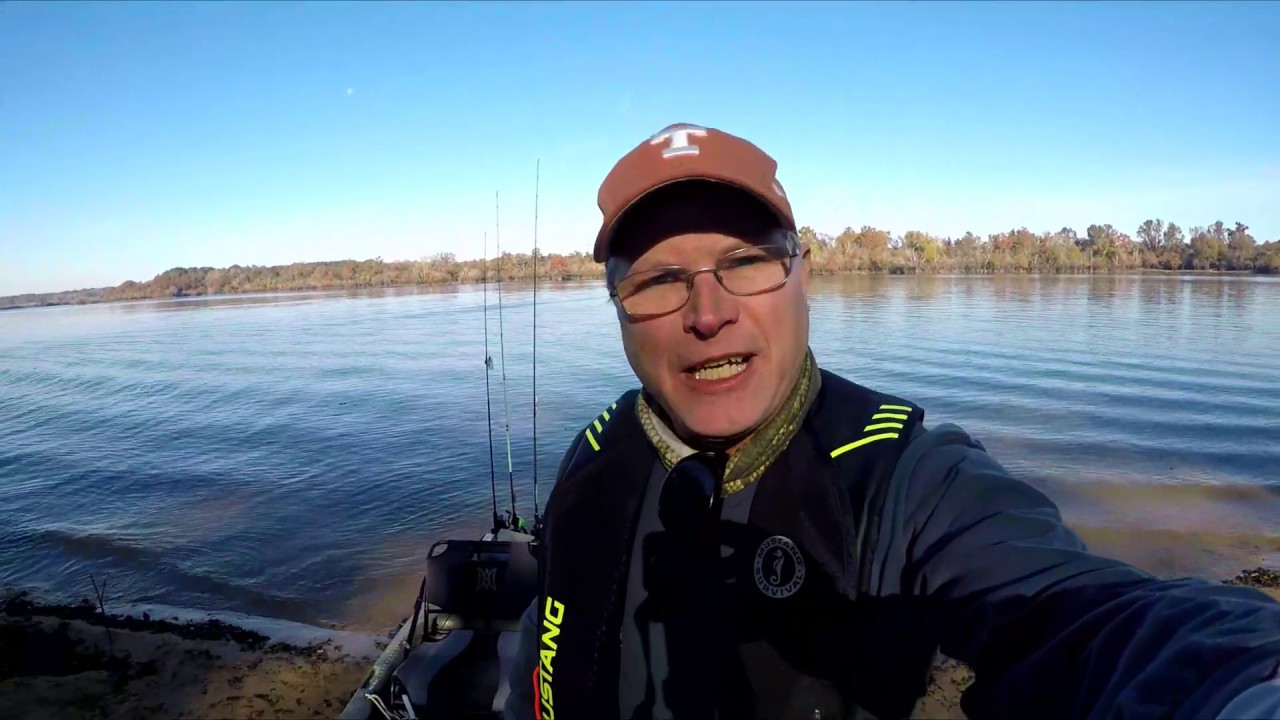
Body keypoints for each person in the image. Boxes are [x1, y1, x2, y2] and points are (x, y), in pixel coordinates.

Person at [500, 123, 1280, 720]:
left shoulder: (905, 474)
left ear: (803, 277)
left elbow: (1077, 615)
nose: (709, 314)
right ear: (618, 311)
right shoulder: (596, 451)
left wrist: (1245, 682)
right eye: (661, 279)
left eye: (745, 262)